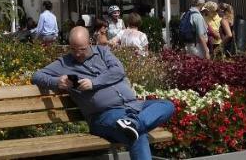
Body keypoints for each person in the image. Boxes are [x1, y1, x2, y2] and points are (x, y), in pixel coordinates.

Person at [31, 26, 175, 160]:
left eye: (81, 49)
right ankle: (134, 125)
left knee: (167, 105)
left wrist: (94, 83)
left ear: (90, 42)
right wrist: (57, 82)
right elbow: (36, 76)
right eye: (73, 49)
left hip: (133, 107)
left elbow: (118, 71)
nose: (77, 54)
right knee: (136, 135)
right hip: (104, 115)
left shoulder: (102, 52)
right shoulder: (64, 63)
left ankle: (134, 123)